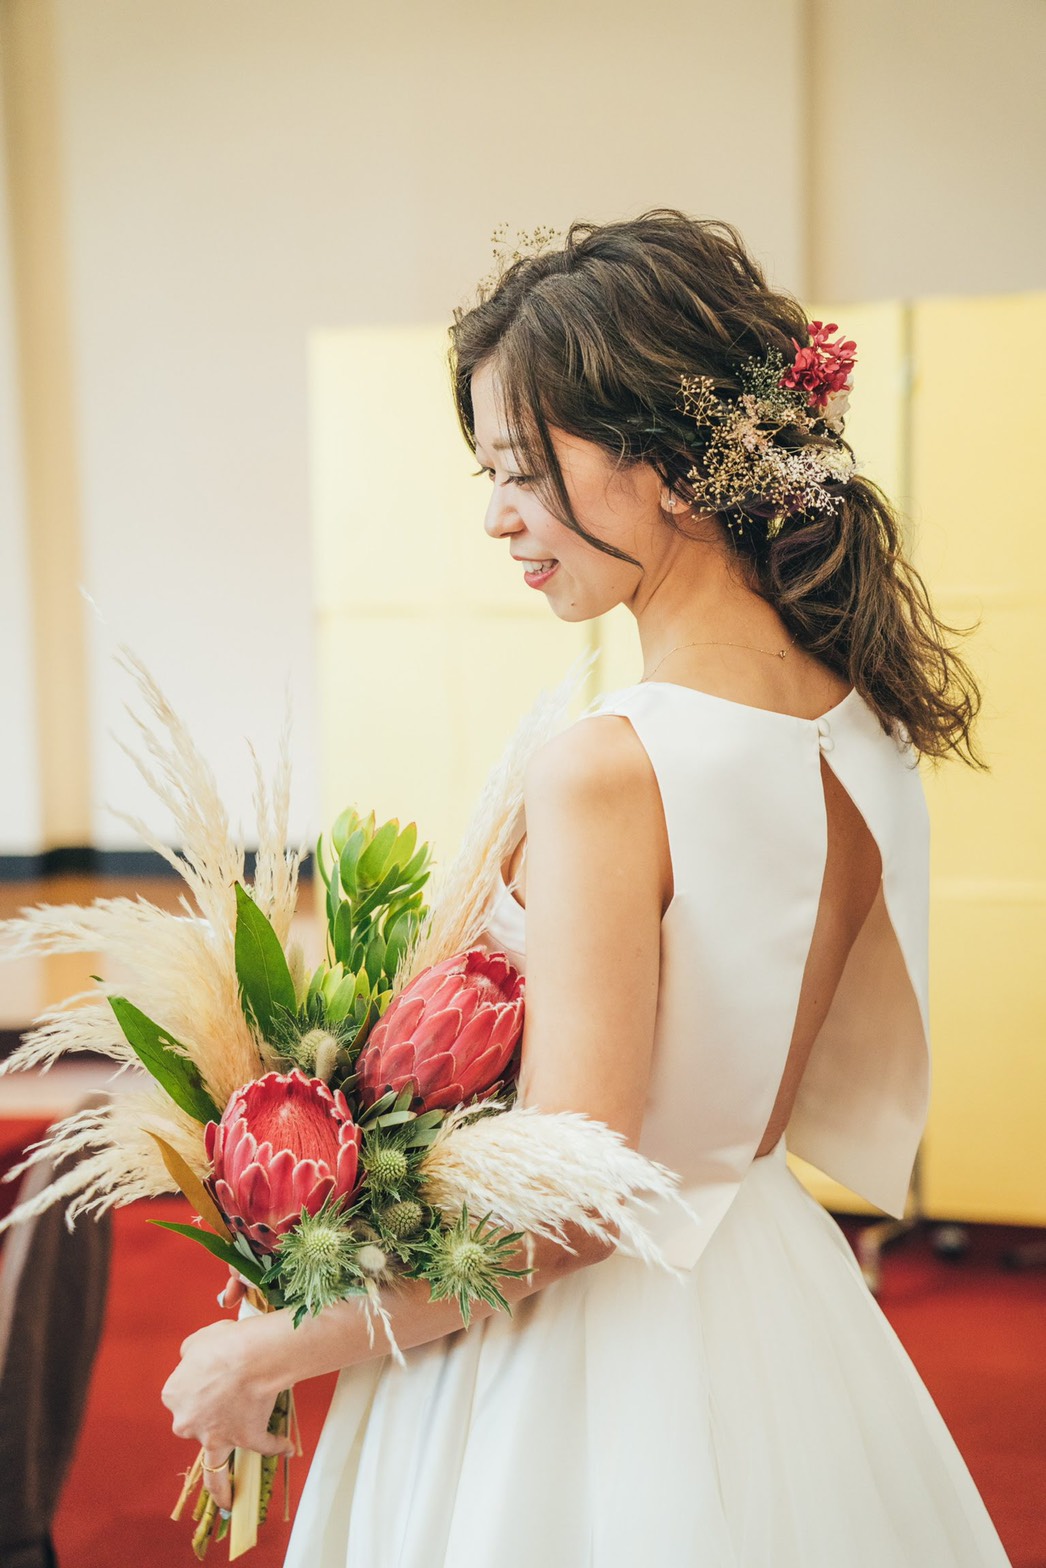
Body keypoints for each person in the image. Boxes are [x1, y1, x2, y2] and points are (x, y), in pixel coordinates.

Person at [162, 210, 1013, 1565]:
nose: (496, 515)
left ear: (666, 462)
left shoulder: (612, 768)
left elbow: (575, 1210)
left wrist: (269, 1349)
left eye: (523, 468)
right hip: (766, 1288)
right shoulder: (859, 726)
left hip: (591, 1360)